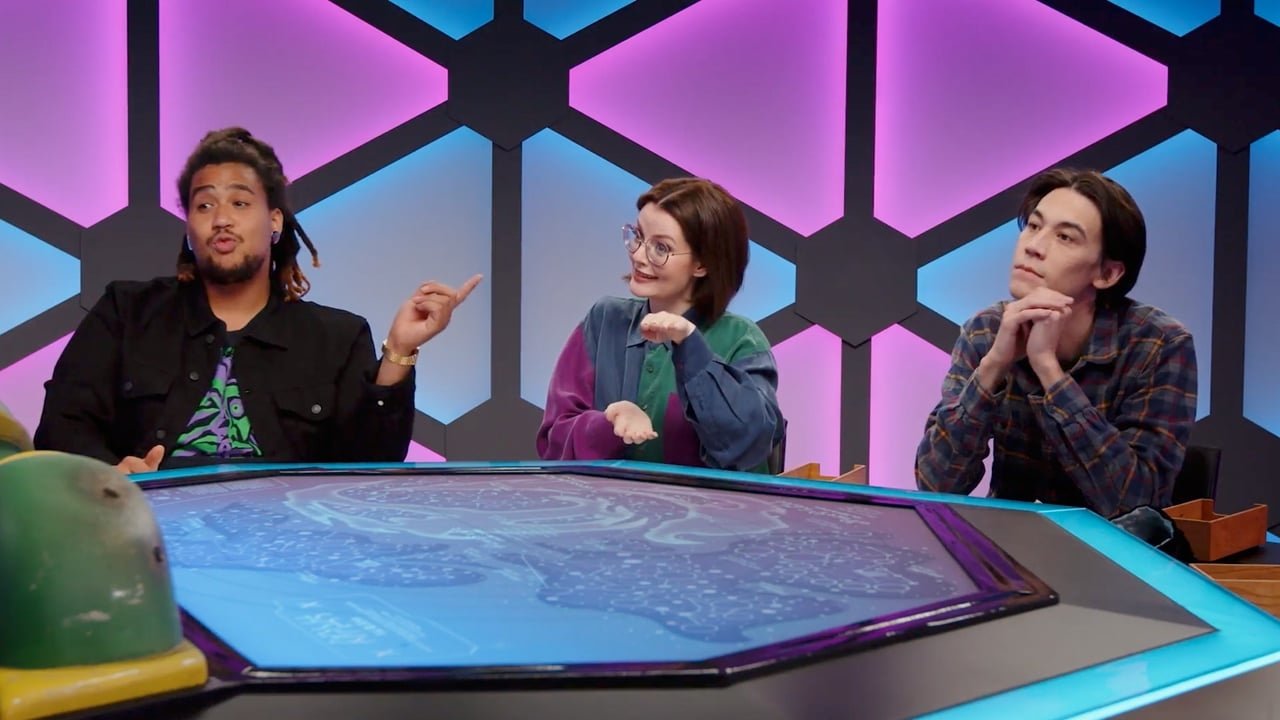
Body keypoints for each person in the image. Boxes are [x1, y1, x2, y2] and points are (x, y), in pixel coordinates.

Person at [34, 127, 480, 473]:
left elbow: (369, 468)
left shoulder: (337, 338)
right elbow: (61, 427)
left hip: (289, 544)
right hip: (148, 534)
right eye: (204, 206)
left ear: (275, 221)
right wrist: (112, 475)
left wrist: (399, 352)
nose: (221, 219)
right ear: (188, 228)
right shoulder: (126, 312)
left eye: (240, 203)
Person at [915, 168, 1197, 518]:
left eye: (1065, 237)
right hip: (1009, 543)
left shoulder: (1159, 344)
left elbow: (1135, 503)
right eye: (1034, 226)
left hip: (1109, 549)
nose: (1033, 246)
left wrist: (1049, 372)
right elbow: (936, 485)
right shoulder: (987, 330)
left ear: (1107, 273)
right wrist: (993, 367)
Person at [537, 177, 784, 472]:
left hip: (704, 504)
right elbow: (553, 442)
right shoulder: (604, 320)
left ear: (702, 264)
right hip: (603, 502)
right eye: (639, 236)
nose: (638, 255)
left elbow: (749, 444)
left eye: (661, 248)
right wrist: (609, 423)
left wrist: (691, 347)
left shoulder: (742, 339)